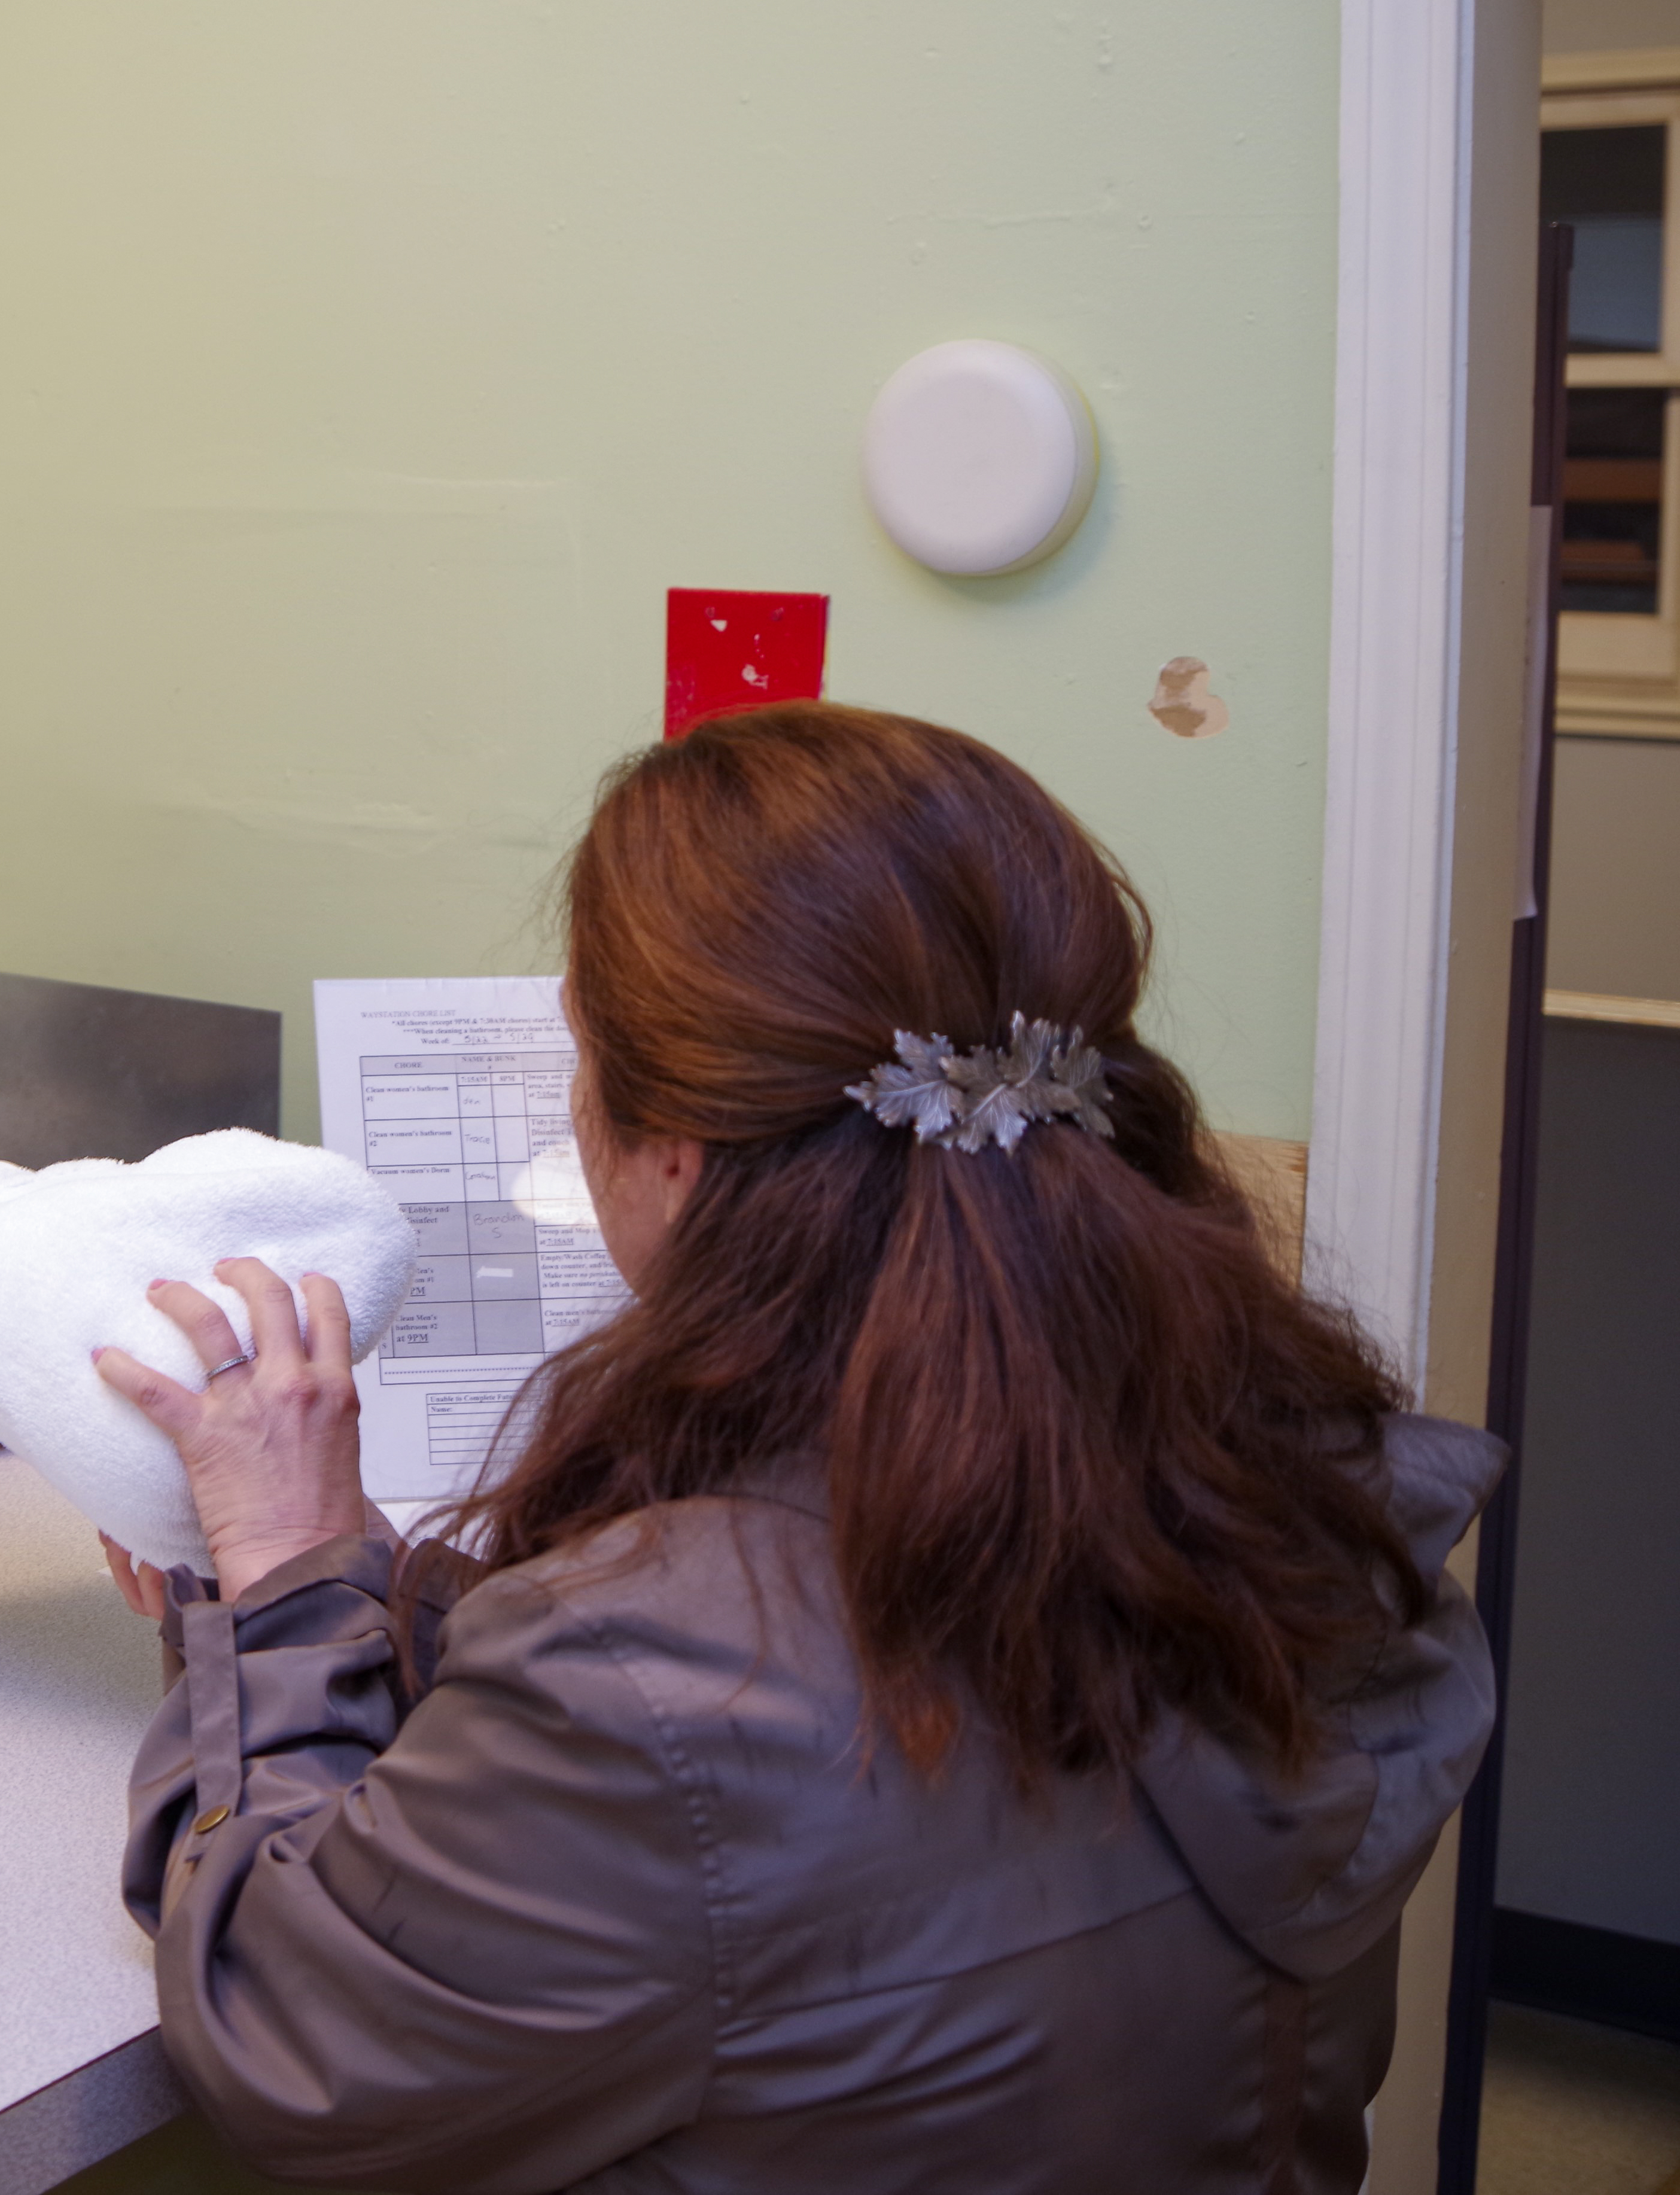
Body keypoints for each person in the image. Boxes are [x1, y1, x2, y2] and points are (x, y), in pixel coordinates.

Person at [91, 702, 1502, 2191]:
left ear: (675, 1152)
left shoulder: (651, 1686)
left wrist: (282, 1571)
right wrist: (395, 1598)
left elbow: (283, 2030)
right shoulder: (1304, 1497)